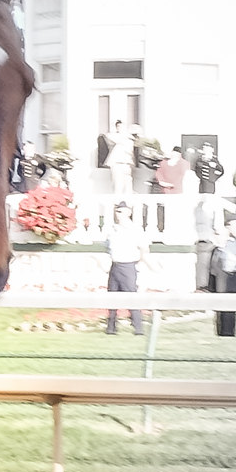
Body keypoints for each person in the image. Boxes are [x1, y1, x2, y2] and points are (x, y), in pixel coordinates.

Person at [103, 201, 148, 336]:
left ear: (128, 212)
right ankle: (111, 328)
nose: (118, 214)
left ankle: (138, 328)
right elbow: (107, 247)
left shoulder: (135, 229)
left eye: (121, 211)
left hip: (128, 265)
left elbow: (144, 248)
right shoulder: (112, 229)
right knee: (112, 298)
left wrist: (140, 263)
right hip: (115, 265)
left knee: (132, 298)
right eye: (117, 211)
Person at [105, 120, 134, 198]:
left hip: (127, 164)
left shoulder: (129, 139)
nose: (121, 128)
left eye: (123, 127)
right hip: (117, 164)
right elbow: (109, 136)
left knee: (128, 186)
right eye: (119, 127)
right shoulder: (115, 137)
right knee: (118, 186)